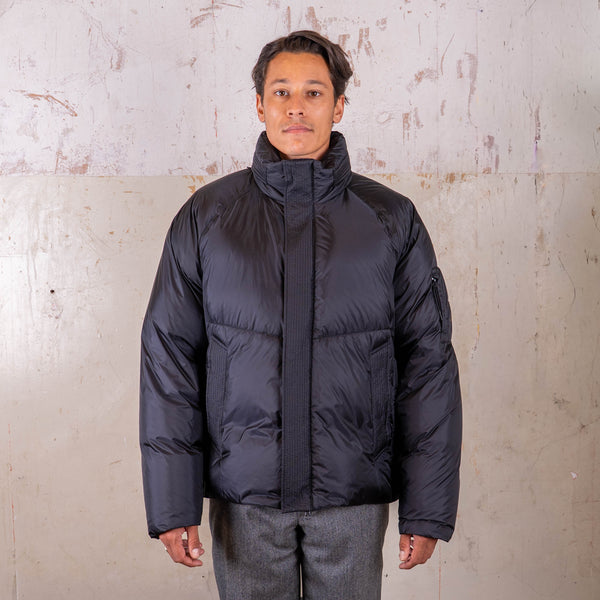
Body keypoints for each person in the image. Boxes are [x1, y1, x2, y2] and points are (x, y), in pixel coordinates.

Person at [140, 30, 462, 600]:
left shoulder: (391, 219)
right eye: (281, 91)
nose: (296, 107)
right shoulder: (208, 216)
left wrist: (427, 508)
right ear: (259, 104)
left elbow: (427, 365)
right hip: (245, 496)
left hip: (352, 496)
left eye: (313, 92)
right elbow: (170, 360)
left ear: (338, 106)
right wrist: (173, 503)